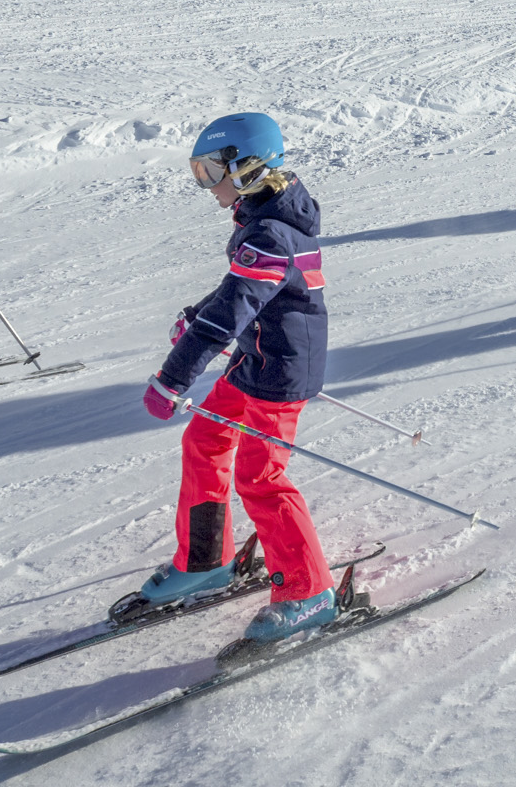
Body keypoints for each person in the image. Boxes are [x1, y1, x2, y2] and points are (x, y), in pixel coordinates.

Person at [133, 112, 336, 643]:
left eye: (209, 172)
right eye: (197, 172)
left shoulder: (270, 232)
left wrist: (172, 378)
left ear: (246, 168)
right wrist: (195, 312)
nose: (205, 185)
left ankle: (307, 591)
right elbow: (237, 291)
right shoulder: (262, 216)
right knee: (204, 439)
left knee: (258, 476)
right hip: (255, 362)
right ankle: (204, 560)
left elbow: (231, 312)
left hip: (281, 373)